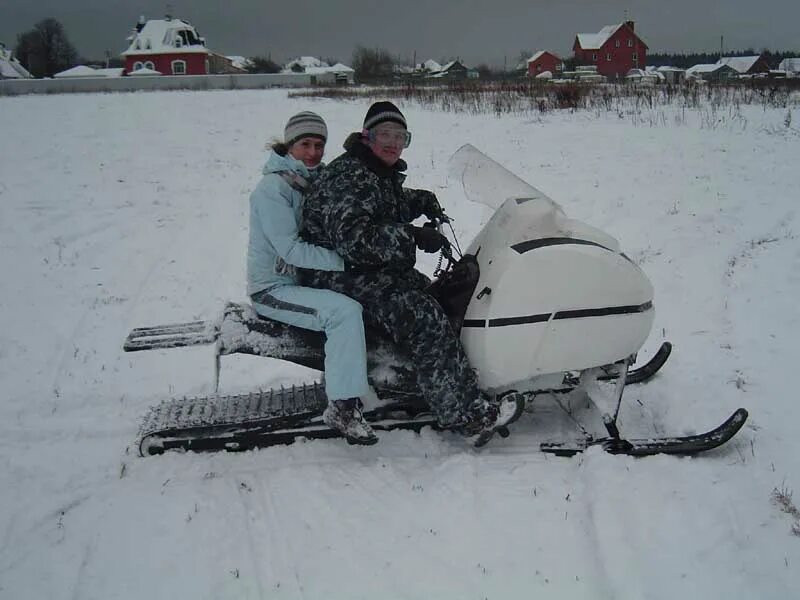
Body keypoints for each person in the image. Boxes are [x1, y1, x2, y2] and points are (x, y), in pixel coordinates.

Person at [299, 101, 524, 446]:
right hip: (334, 274)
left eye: (400, 136)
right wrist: (413, 236)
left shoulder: (374, 171)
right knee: (424, 315)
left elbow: (383, 202)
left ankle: (426, 381)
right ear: (367, 136)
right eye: (384, 134)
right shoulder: (347, 177)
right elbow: (356, 241)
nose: (392, 143)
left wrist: (422, 200)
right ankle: (469, 417)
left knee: (438, 294)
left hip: (362, 270)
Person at [247, 111, 377, 445]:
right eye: (305, 144)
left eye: (319, 144)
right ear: (289, 145)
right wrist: (346, 262)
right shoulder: (272, 189)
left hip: (304, 281)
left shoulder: (312, 181)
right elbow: (290, 249)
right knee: (343, 312)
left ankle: (379, 377)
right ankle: (343, 408)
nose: (314, 152)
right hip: (274, 288)